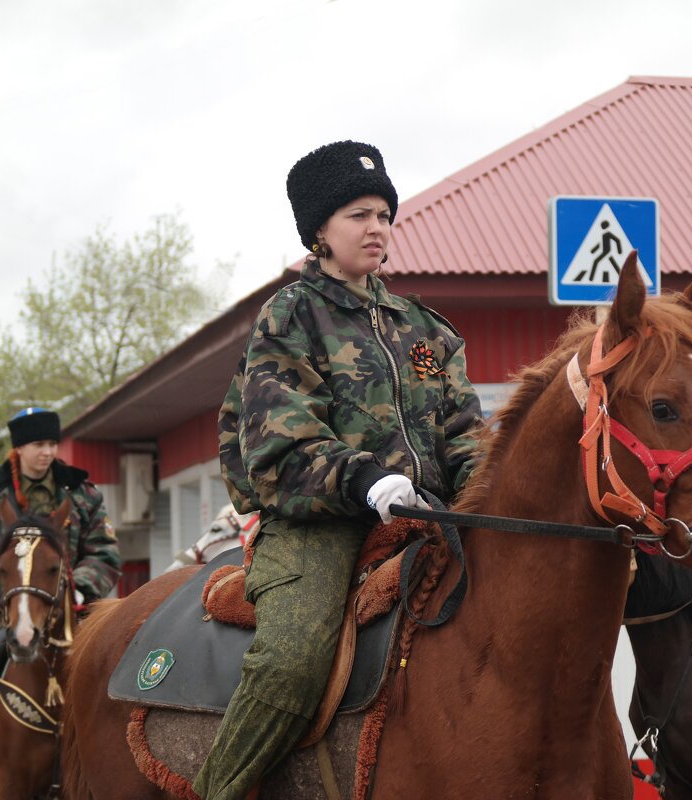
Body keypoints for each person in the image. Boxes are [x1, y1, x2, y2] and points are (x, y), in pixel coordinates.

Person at [194, 140, 485, 800]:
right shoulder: (291, 315)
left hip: (427, 517)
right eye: (359, 215)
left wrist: (482, 492)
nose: (377, 228)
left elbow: (465, 432)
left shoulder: (425, 332)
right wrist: (364, 481)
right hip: (317, 522)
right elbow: (279, 442)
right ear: (319, 231)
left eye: (384, 214)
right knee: (293, 661)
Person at [0, 407, 121, 788]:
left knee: (115, 654)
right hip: (3, 606)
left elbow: (105, 551)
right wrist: (14, 599)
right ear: (19, 449)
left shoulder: (83, 493)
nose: (48, 452)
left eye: (52, 444)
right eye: (39, 444)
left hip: (72, 604)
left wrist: (78, 588)